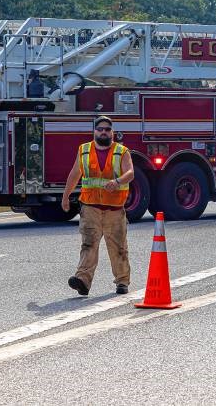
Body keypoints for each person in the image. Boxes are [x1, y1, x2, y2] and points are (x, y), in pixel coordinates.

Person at [61, 116, 134, 296]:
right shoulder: (84, 150)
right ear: (94, 131)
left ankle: (122, 282)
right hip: (90, 207)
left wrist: (117, 181)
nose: (103, 132)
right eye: (100, 129)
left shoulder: (122, 151)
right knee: (88, 244)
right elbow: (74, 174)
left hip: (114, 209)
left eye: (107, 129)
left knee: (118, 247)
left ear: (112, 132)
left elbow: (130, 173)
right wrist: (65, 197)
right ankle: (82, 281)